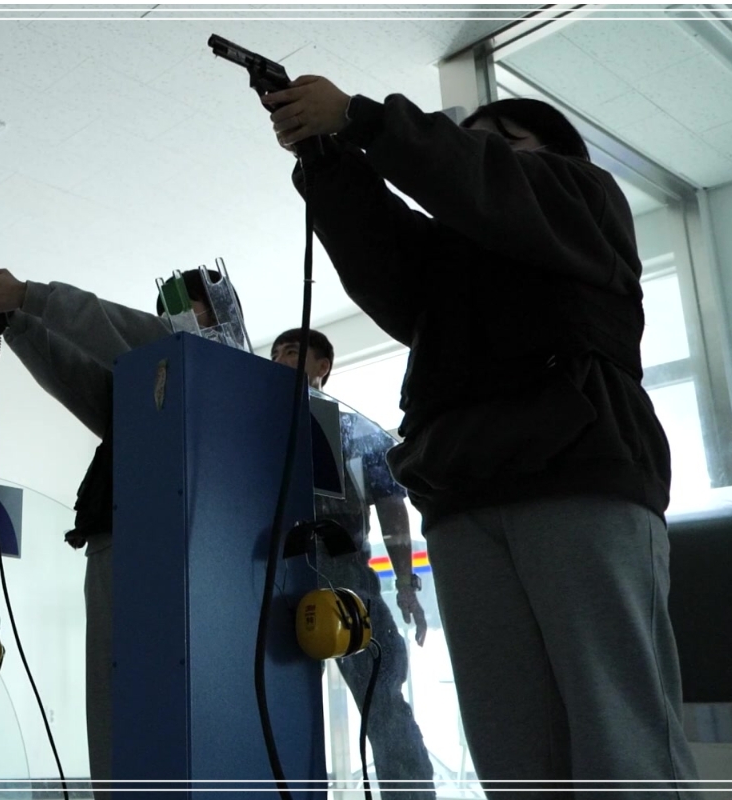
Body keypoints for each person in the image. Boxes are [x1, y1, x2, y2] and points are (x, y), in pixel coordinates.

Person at [261, 78, 699, 795]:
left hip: (579, 473)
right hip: (461, 493)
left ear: (556, 156)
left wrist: (364, 119)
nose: (478, 151)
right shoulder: (447, 255)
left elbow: (484, 178)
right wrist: (327, 158)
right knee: (510, 746)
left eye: (503, 141)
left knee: (619, 731)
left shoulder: (584, 198)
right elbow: (380, 251)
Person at [0, 267, 240, 797]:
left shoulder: (229, 369)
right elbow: (75, 375)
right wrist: (17, 321)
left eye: (186, 306)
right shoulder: (150, 379)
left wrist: (31, 296)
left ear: (222, 315)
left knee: (179, 714)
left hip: (187, 549)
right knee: (114, 706)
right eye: (164, 308)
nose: (171, 319)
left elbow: (124, 330)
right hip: (118, 538)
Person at [271, 328, 435, 797]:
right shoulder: (258, 428)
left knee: (379, 692)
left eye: (293, 352)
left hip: (342, 569)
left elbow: (391, 506)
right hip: (276, 570)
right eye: (275, 353)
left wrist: (406, 584)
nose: (280, 360)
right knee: (280, 699)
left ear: (322, 366)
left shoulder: (355, 431)